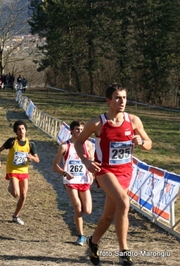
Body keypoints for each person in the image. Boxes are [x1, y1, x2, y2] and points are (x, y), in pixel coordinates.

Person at [74, 83, 152, 266]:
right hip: (104, 170)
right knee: (124, 203)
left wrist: (141, 141)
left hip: (125, 172)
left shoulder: (133, 121)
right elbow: (79, 143)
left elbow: (149, 144)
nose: (122, 101)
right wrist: (85, 160)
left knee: (109, 215)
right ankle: (124, 251)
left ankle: (93, 242)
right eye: (117, 97)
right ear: (108, 100)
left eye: (124, 97)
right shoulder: (97, 123)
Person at [52, 120, 93, 246]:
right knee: (78, 208)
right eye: (77, 129)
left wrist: (92, 174)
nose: (79, 132)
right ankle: (81, 236)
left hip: (84, 181)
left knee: (88, 210)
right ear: (71, 130)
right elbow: (54, 166)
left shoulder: (88, 145)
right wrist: (65, 173)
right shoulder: (65, 146)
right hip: (70, 181)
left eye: (81, 130)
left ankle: (77, 221)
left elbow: (91, 161)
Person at [0, 120, 40, 225]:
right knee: (16, 194)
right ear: (16, 132)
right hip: (13, 170)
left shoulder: (31, 144)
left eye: (23, 129)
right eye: (19, 129)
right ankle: (11, 187)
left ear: (26, 130)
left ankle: (16, 216)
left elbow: (38, 160)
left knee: (24, 195)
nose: (21, 131)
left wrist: (32, 157)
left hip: (24, 171)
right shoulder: (11, 141)